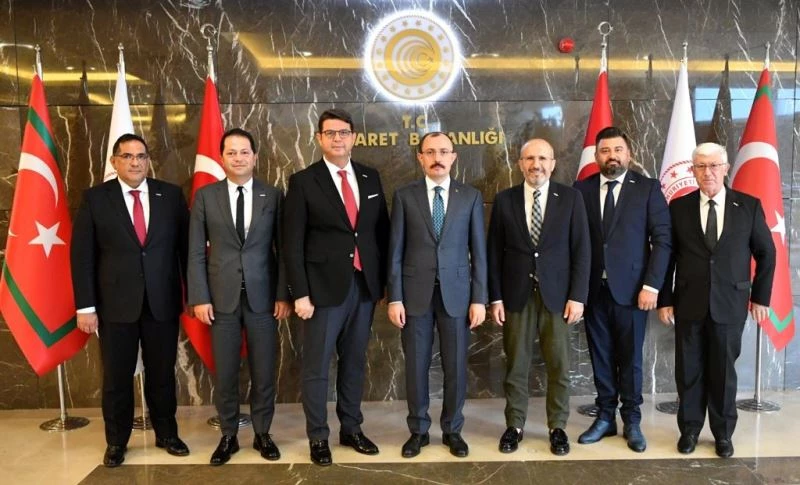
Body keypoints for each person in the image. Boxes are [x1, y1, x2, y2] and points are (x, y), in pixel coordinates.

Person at [71, 133, 190, 467]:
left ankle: (167, 434)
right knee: (117, 378)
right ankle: (116, 441)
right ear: (114, 161)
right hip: (114, 306)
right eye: (127, 156)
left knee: (162, 374)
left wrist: (195, 295)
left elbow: (186, 250)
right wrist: (85, 306)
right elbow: (82, 256)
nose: (135, 162)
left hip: (162, 302)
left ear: (148, 160)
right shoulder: (96, 198)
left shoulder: (170, 195)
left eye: (141, 156)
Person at [283, 108, 390, 466]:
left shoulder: (370, 177)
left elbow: (381, 233)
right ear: (319, 138)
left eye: (343, 132)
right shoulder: (303, 181)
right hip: (321, 292)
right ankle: (318, 436)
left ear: (354, 137)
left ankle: (351, 428)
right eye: (330, 133)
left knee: (355, 362)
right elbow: (292, 243)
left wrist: (383, 284)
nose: (337, 138)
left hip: (363, 287)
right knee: (316, 367)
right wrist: (300, 293)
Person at [657, 142, 775, 458]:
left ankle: (723, 434)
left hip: (730, 303)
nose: (707, 172)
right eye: (701, 166)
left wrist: (760, 298)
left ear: (725, 168)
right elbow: (667, 257)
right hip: (688, 303)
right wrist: (664, 299)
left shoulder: (748, 206)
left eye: (713, 165)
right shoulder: (678, 207)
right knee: (689, 371)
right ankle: (690, 431)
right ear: (693, 170)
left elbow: (767, 253)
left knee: (723, 374)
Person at [187, 128, 291, 465]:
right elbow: (195, 252)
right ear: (221, 158)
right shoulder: (206, 196)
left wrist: (283, 295)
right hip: (220, 300)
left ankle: (263, 433)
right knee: (226, 372)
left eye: (244, 152)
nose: (238, 158)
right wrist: (199, 297)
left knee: (264, 370)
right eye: (231, 152)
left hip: (264, 299)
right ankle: (228, 435)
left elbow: (283, 250)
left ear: (255, 157)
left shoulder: (272, 195)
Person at [387, 131, 488, 459]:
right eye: (430, 152)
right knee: (416, 367)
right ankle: (418, 430)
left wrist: (479, 298)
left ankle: (452, 429)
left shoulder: (470, 197)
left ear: (454, 157)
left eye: (444, 152)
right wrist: (395, 297)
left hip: (457, 295)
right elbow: (395, 251)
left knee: (455, 366)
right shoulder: (405, 196)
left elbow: (479, 252)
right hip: (414, 296)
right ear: (420, 158)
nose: (437, 158)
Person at [488, 138, 590, 456]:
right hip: (515, 296)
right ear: (520, 164)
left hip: (558, 297)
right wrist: (495, 297)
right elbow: (493, 253)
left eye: (543, 158)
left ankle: (557, 427)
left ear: (553, 163)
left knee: (559, 364)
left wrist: (578, 296)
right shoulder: (504, 200)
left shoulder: (570, 198)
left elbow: (582, 250)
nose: (537, 165)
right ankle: (515, 425)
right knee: (516, 364)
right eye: (530, 159)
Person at [573, 126, 671, 452]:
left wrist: (652, 286)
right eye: (605, 150)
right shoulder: (581, 189)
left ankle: (632, 420)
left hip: (633, 293)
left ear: (629, 154)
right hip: (593, 292)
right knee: (600, 356)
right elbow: (575, 242)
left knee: (630, 359)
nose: (611, 156)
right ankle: (605, 418)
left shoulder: (647, 189)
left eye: (618, 150)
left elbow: (663, 240)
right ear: (596, 155)